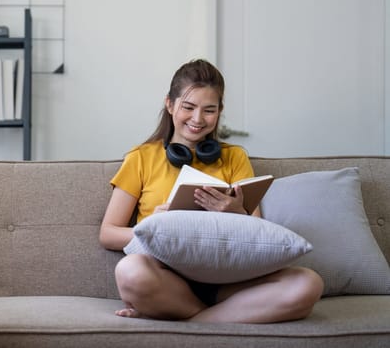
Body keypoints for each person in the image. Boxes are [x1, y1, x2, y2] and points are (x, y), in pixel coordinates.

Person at [99, 59, 323, 323]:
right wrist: (153, 224)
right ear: (170, 104)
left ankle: (196, 320)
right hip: (168, 278)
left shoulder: (235, 157)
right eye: (189, 107)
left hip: (231, 281)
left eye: (209, 110)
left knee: (309, 283)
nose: (197, 119)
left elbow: (257, 229)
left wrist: (237, 211)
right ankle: (223, 317)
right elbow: (108, 233)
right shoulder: (141, 158)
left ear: (219, 112)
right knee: (130, 271)